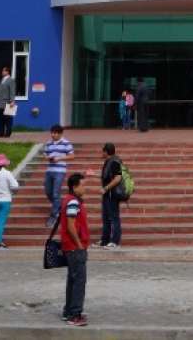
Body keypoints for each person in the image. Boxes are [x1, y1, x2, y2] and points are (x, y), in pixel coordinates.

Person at [59, 172, 90, 327]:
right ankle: (74, 314)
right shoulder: (73, 202)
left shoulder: (68, 200)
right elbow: (71, 226)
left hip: (70, 247)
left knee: (73, 280)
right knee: (79, 281)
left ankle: (68, 311)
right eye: (82, 185)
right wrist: (79, 244)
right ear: (74, 186)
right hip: (75, 247)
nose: (85, 188)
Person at [43, 125, 75, 228]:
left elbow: (72, 156)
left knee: (56, 193)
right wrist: (48, 157)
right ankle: (59, 207)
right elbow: (45, 154)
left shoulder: (66, 143)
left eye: (55, 133)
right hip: (49, 170)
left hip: (60, 171)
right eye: (52, 133)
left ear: (60, 133)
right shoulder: (48, 143)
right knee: (48, 191)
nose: (53, 135)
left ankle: (54, 216)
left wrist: (60, 158)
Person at [96, 143, 123, 249]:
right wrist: (94, 174)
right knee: (106, 217)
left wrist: (106, 188)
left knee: (114, 218)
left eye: (102, 151)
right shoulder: (108, 161)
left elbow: (118, 178)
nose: (101, 153)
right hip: (107, 194)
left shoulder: (115, 162)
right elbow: (106, 176)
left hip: (113, 194)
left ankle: (115, 242)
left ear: (106, 152)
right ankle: (105, 240)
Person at [0, 67, 16, 138]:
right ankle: (0, 133)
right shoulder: (2, 80)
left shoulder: (11, 80)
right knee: (1, 119)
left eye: (3, 71)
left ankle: (7, 134)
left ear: (7, 72)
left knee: (8, 119)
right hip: (0, 103)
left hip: (8, 103)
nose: (2, 72)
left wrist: (12, 101)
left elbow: (12, 91)